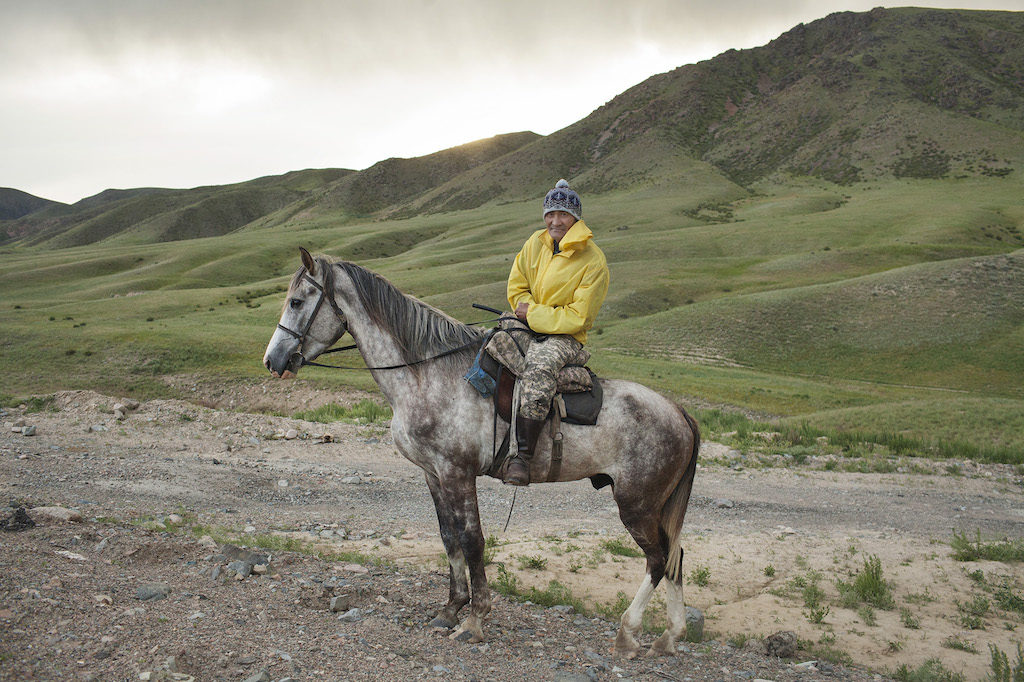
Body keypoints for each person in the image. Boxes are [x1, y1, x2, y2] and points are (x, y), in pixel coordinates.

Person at [504, 179, 609, 486]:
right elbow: (517, 287)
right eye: (550, 214)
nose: (555, 221)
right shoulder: (534, 243)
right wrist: (524, 311)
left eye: (563, 214)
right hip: (529, 321)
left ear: (575, 217)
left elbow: (578, 317)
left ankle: (522, 456)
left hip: (567, 337)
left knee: (539, 367)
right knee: (494, 343)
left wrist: (533, 314)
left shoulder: (593, 260)